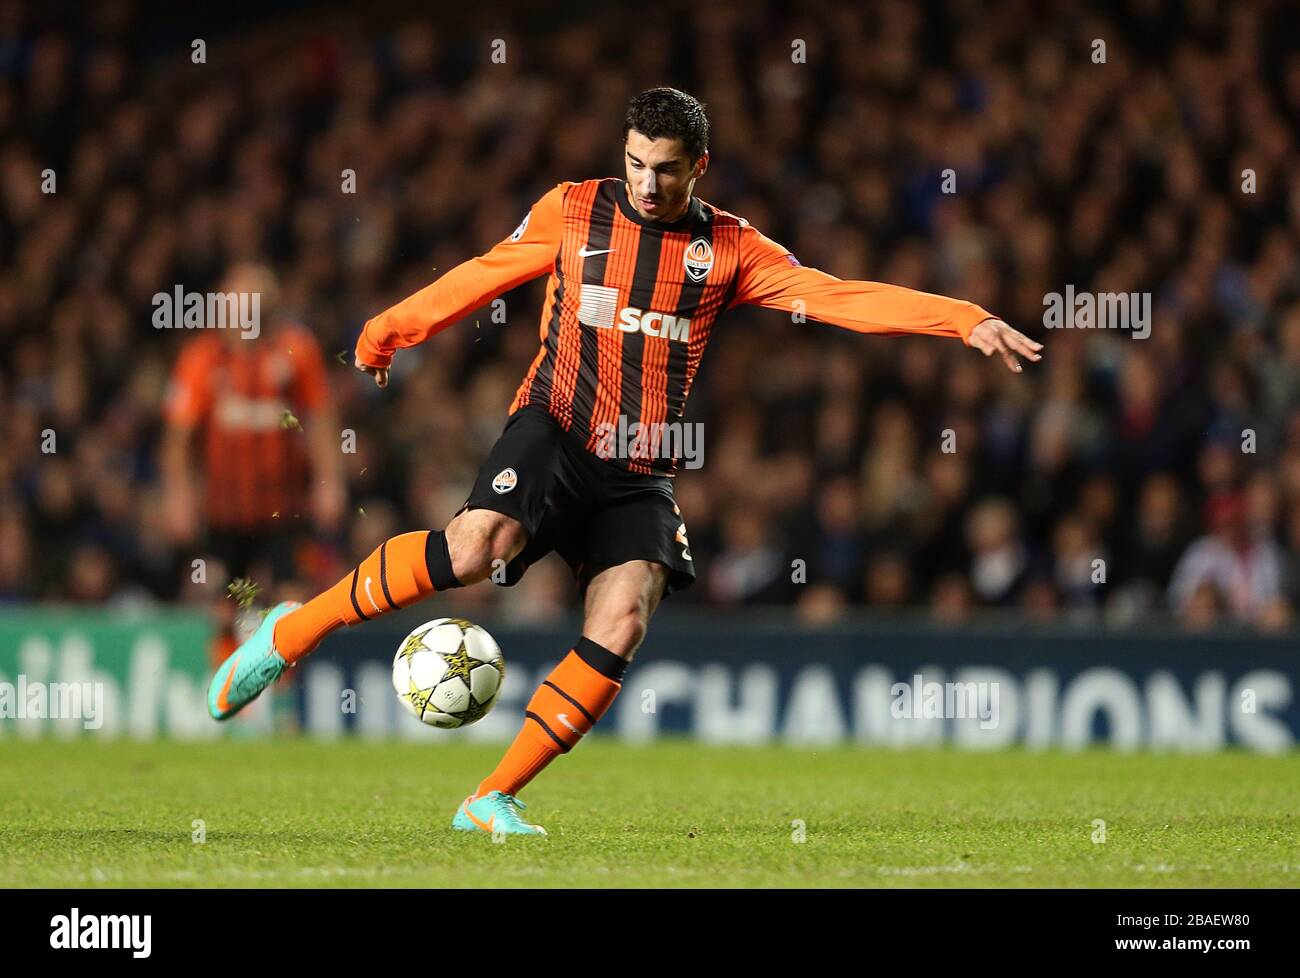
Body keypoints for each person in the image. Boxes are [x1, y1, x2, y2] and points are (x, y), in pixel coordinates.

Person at [206, 87, 1041, 835]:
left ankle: (488, 798)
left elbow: (836, 296)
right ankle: (292, 631)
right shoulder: (573, 211)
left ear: (699, 168)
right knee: (473, 548)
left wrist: (961, 318)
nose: (647, 183)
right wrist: (393, 326)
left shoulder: (733, 249)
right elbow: (487, 274)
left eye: (667, 170)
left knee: (625, 617)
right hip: (555, 423)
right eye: (636, 163)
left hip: (638, 466)